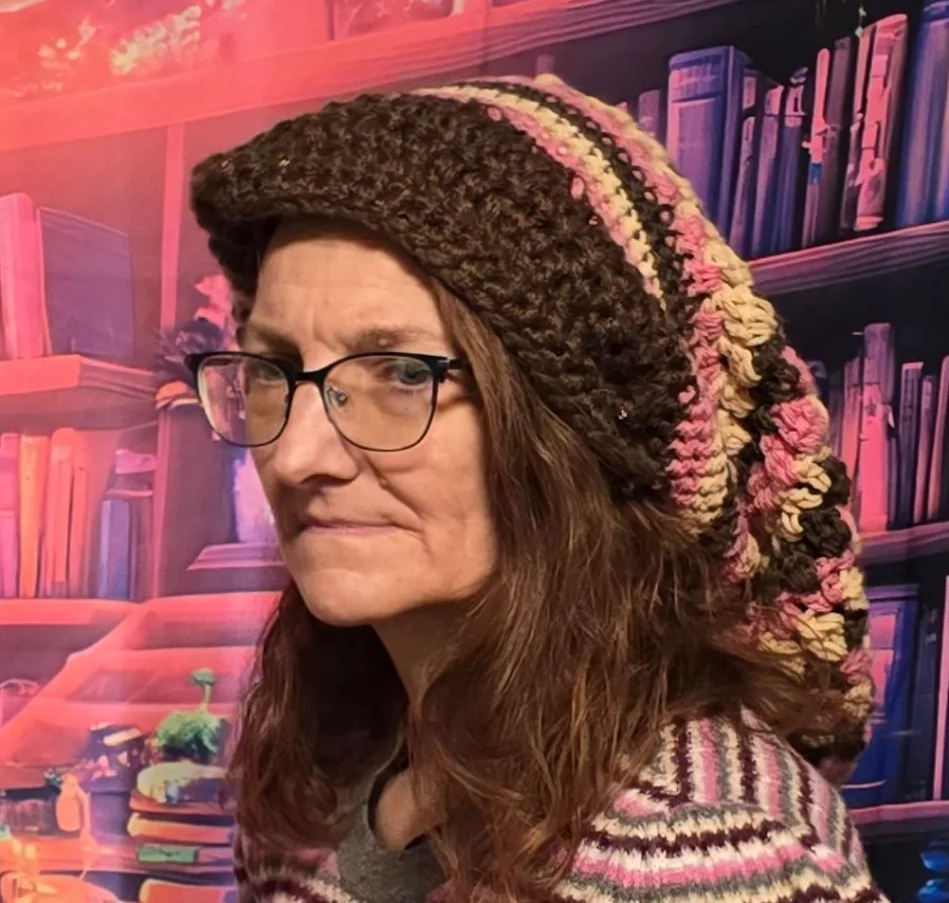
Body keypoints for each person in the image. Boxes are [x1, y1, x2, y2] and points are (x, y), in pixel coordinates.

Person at [188, 74, 884, 903]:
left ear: (565, 431)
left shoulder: (702, 850)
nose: (296, 455)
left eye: (402, 374)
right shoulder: (319, 791)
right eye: (275, 368)